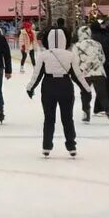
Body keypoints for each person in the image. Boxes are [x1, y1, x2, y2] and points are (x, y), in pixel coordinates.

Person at [26, 29, 89, 158]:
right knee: (67, 118)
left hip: (48, 85)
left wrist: (30, 88)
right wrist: (86, 89)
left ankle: (46, 146)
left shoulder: (43, 55)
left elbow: (37, 74)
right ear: (65, 40)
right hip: (65, 85)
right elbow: (77, 75)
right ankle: (71, 146)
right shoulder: (70, 55)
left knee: (49, 118)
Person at [71, 25, 109, 124]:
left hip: (85, 74)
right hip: (99, 72)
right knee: (103, 94)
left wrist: (81, 68)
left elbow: (75, 60)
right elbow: (102, 58)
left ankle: (86, 113)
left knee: (85, 93)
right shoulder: (97, 44)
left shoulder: (77, 46)